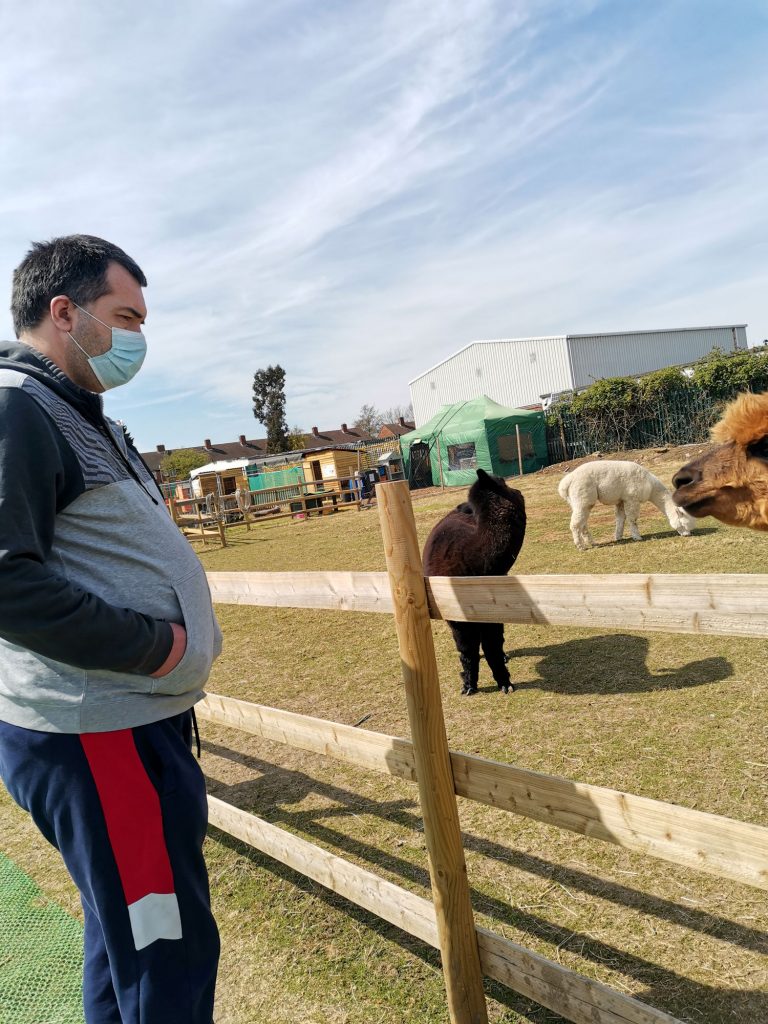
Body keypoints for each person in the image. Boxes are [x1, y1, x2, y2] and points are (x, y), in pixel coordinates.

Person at [0, 235, 222, 1023]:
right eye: (125, 317)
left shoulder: (80, 413)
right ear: (64, 313)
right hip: (99, 734)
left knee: (128, 932)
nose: (137, 339)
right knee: (166, 948)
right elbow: (6, 580)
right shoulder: (17, 408)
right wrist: (159, 647)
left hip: (127, 724)